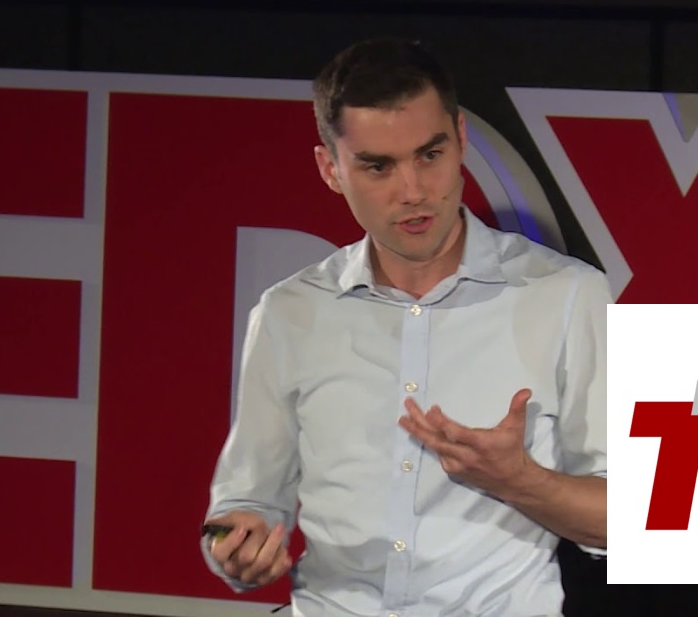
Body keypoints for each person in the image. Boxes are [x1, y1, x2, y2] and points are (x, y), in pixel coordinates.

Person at [202, 37, 608, 617]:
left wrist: (519, 481)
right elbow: (242, 505)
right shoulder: (289, 311)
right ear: (330, 169)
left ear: (460, 139)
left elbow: (633, 520)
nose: (413, 191)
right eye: (378, 166)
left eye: (430, 155)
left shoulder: (567, 295)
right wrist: (236, 546)